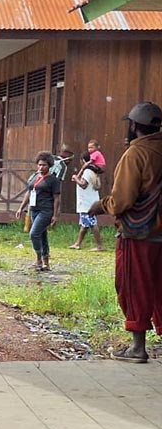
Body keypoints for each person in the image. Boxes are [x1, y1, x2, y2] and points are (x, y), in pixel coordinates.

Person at [88, 102, 162, 363]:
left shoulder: (136, 154)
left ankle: (137, 348)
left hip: (139, 234)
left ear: (133, 126)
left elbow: (122, 201)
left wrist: (102, 205)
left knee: (135, 286)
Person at [15, 152, 62, 272]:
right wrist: (21, 208)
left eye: (44, 165)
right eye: (39, 165)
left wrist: (55, 215)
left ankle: (38, 259)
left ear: (49, 166)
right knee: (42, 235)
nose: (41, 167)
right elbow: (29, 192)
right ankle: (46, 262)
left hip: (46, 210)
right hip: (34, 209)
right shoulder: (35, 177)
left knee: (34, 233)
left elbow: (57, 198)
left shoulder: (53, 180)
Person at [69, 151, 104, 251]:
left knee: (92, 224)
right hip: (89, 202)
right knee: (85, 224)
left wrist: (76, 178)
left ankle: (99, 245)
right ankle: (78, 243)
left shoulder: (87, 172)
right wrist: (81, 171)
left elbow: (83, 184)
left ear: (82, 161)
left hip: (86, 203)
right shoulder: (92, 171)